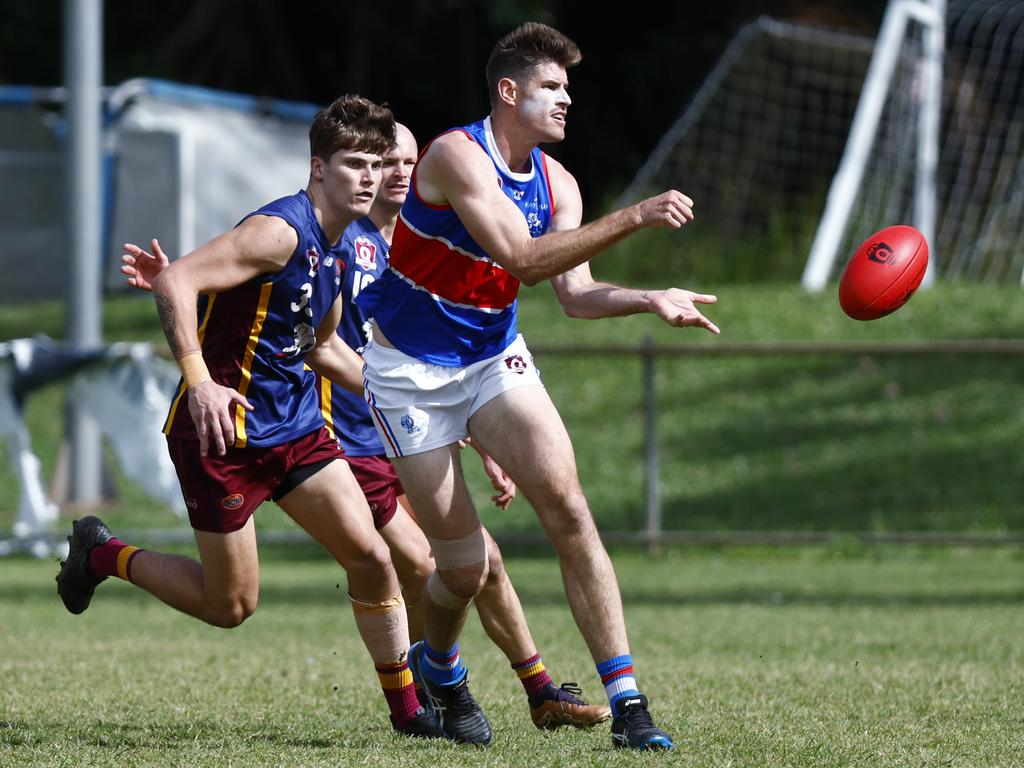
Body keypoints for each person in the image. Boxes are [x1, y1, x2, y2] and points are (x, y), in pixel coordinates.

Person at [123, 122, 612, 739]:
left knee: (457, 561)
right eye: (378, 162)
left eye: (399, 161)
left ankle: (488, 696)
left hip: (355, 434)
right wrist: (195, 332)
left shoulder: (405, 248)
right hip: (322, 437)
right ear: (324, 168)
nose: (393, 172)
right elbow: (258, 302)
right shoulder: (316, 232)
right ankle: (452, 684)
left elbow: (364, 350)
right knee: (245, 602)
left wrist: (473, 431)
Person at [356, 23, 719, 751]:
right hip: (408, 374)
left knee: (568, 506)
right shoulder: (457, 155)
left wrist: (647, 297)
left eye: (567, 89)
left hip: (493, 359)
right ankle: (442, 668)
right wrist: (637, 216)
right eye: (552, 87)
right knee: (461, 569)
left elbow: (574, 295)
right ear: (508, 91)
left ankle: (629, 703)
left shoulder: (561, 184)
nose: (566, 101)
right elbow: (522, 259)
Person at [56, 95, 442, 739]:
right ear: (318, 168)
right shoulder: (281, 231)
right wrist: (199, 381)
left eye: (378, 163)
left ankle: (409, 712)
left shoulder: (343, 247)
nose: (371, 176)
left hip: (294, 429)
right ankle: (103, 555)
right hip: (221, 434)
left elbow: (321, 346)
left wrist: (403, 394)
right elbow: (176, 282)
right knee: (230, 605)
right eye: (355, 163)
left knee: (373, 560)